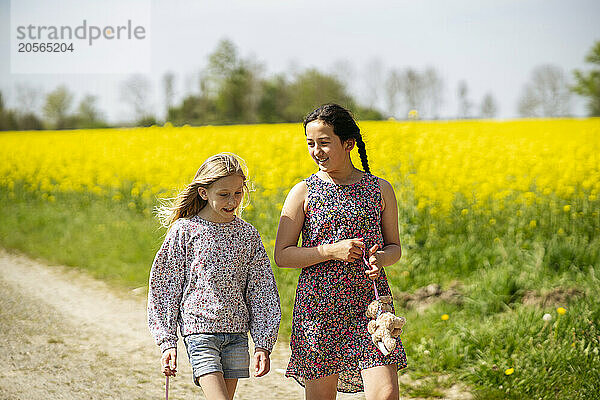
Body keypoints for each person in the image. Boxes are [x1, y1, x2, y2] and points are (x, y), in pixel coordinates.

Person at [274, 104, 407, 399]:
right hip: (318, 309)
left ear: (348, 144)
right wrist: (331, 251)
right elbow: (282, 255)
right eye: (311, 144)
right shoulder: (303, 192)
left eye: (324, 143)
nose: (316, 151)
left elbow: (394, 247)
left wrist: (380, 258)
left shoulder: (380, 189)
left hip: (371, 307)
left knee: (386, 394)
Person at [148, 153, 281, 400]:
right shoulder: (185, 231)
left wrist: (263, 342)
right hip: (200, 332)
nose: (233, 201)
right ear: (203, 193)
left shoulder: (248, 235)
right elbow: (165, 288)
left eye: (238, 193)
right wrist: (167, 341)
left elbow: (262, 290)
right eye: (223, 194)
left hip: (237, 335)